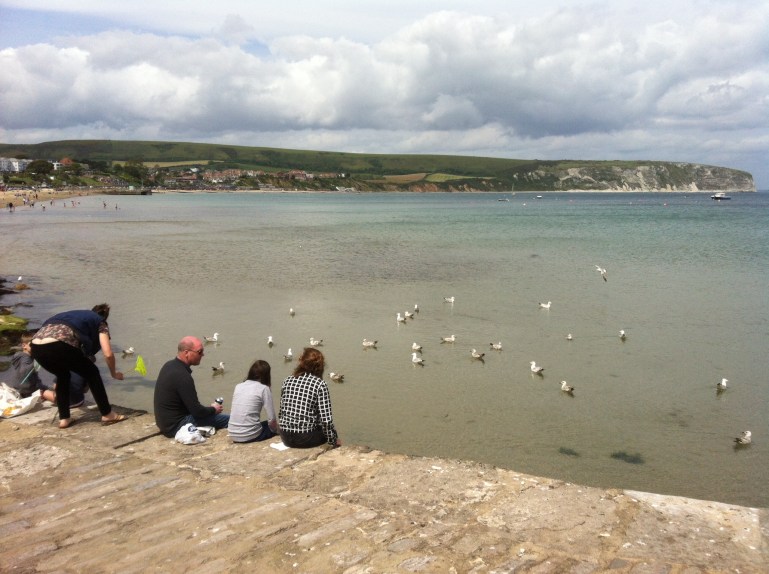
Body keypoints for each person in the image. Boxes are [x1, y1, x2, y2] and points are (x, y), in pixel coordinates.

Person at [29, 303, 126, 428]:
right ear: (104, 317)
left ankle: (64, 418)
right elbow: (108, 353)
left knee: (63, 375)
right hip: (59, 345)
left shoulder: (74, 315)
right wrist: (114, 373)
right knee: (92, 374)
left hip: (36, 347)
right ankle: (107, 414)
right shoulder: (100, 322)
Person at [153, 336, 229, 438]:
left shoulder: (169, 365)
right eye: (199, 351)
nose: (203, 354)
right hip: (175, 427)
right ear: (186, 353)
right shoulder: (183, 376)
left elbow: (191, 406)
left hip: (164, 424)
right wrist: (213, 409)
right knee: (230, 420)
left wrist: (209, 410)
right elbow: (197, 411)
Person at [278, 347, 341, 448]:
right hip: (305, 438)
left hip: (285, 437)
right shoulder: (320, 384)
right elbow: (326, 421)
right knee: (330, 431)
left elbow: (281, 412)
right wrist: (333, 440)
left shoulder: (287, 380)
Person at [228, 360, 279, 443]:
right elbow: (272, 419)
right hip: (250, 435)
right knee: (272, 425)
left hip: (233, 434)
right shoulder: (264, 389)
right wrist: (276, 430)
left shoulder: (238, 386)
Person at [9, 333, 56, 402]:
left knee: (54, 388)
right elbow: (24, 371)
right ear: (24, 346)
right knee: (57, 398)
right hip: (27, 391)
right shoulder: (23, 357)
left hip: (35, 385)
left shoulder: (30, 355)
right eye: (33, 346)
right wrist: (38, 359)